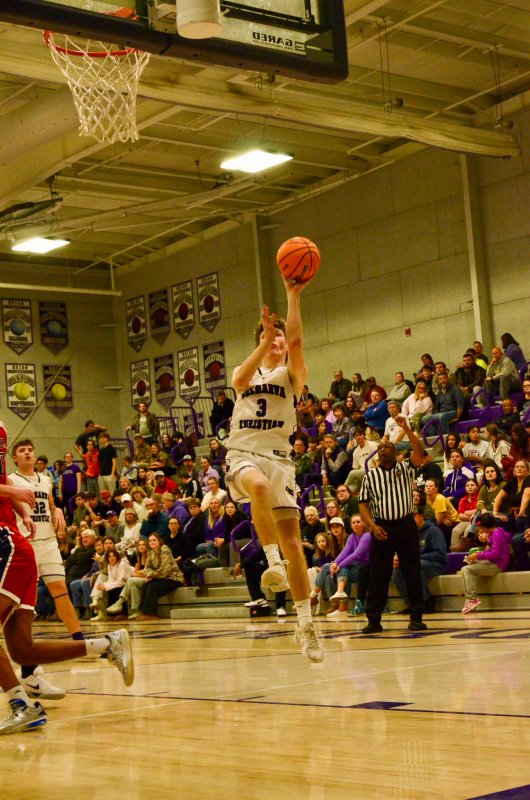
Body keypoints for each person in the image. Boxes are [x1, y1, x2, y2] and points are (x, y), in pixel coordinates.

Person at [224, 278, 323, 663]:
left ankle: (306, 625)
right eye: (272, 338)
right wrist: (264, 341)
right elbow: (238, 381)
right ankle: (270, 563)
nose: (279, 342)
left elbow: (296, 343)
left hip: (280, 457)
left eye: (281, 338)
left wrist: (293, 295)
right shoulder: (247, 372)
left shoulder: (290, 376)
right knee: (259, 486)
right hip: (243, 453)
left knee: (295, 544)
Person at [10, 439, 86, 699]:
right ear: (14, 458)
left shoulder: (45, 479)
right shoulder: (11, 480)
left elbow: (51, 505)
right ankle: (28, 662)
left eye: (30, 449)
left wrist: (59, 513)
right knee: (25, 604)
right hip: (24, 542)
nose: (28, 452)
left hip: (48, 540)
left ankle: (79, 639)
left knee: (60, 590)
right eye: (22, 450)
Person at [358, 415, 427, 634]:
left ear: (395, 451)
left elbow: (419, 453)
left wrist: (406, 428)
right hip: (382, 528)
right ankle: (373, 620)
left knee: (412, 572)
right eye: (380, 447)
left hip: (405, 525)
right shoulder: (370, 476)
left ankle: (416, 617)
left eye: (387, 446)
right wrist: (371, 525)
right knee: (378, 574)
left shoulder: (405, 467)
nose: (383, 448)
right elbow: (363, 504)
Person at [392, 500, 447, 613]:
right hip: (416, 563)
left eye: (413, 516)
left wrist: (416, 557)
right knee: (397, 572)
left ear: (421, 516)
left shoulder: (433, 530)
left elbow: (440, 553)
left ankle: (427, 602)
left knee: (414, 566)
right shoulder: (408, 533)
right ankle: (412, 604)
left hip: (436, 564)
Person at [460, 513, 511, 613]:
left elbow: (495, 555)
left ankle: (472, 598)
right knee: (467, 567)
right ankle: (470, 599)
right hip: (494, 562)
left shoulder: (496, 535)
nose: (480, 530)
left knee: (466, 569)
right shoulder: (496, 532)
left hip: (497, 565)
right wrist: (479, 555)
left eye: (481, 527)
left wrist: (478, 555)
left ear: (484, 527)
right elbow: (492, 552)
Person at [324, 514, 371, 619]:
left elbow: (356, 555)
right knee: (338, 573)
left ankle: (341, 602)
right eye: (353, 522)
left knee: (343, 569)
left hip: (367, 568)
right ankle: (341, 607)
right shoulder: (351, 537)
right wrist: (335, 563)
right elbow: (345, 552)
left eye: (358, 522)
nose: (355, 524)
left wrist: (339, 565)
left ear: (363, 523)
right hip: (356, 567)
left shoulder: (367, 536)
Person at [137, 533, 183, 621]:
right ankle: (144, 612)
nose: (152, 542)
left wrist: (149, 574)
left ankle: (151, 614)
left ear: (159, 541)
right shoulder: (151, 552)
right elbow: (147, 569)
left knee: (152, 587)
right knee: (146, 586)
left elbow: (163, 572)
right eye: (150, 541)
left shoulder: (165, 550)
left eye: (154, 540)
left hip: (174, 578)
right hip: (160, 578)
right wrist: (149, 573)